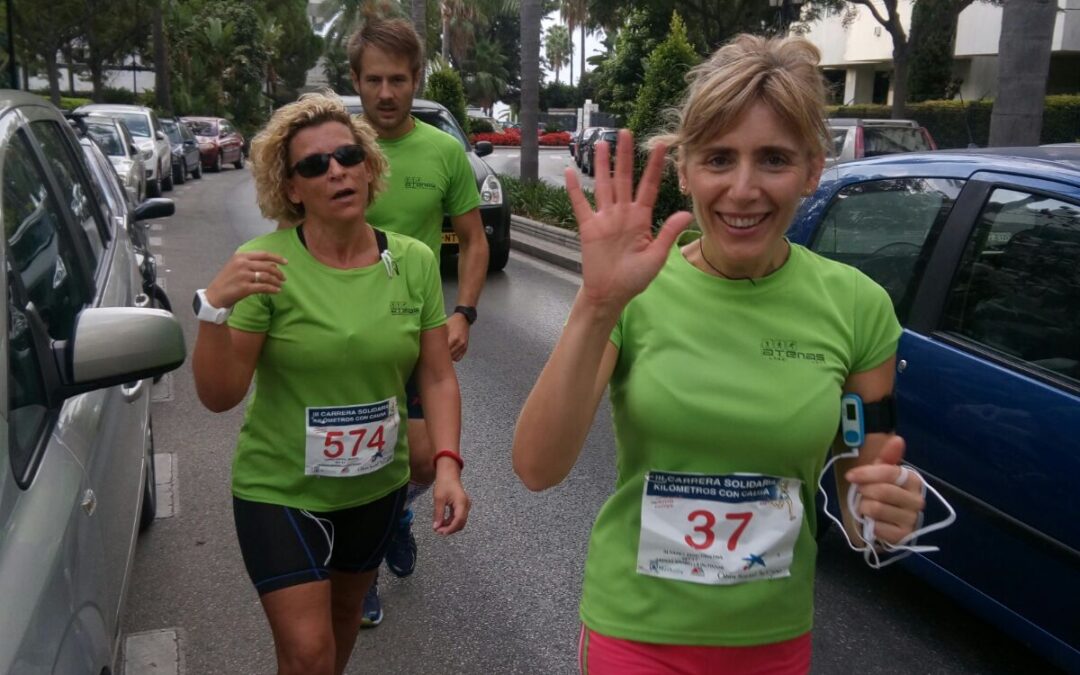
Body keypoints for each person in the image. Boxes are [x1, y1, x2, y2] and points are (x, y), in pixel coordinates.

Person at [511, 34, 927, 673]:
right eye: (718, 159)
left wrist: (885, 513)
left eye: (773, 159)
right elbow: (537, 467)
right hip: (635, 633)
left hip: (773, 640)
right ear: (685, 170)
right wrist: (597, 304)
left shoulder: (858, 307)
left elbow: (857, 502)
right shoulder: (634, 291)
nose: (743, 188)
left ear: (812, 169)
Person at [192, 93, 469, 675]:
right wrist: (213, 309)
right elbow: (219, 396)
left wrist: (447, 466)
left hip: (375, 487)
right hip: (281, 491)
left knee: (340, 631)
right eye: (315, 165)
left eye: (348, 156)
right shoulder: (265, 264)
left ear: (369, 166)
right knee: (310, 651)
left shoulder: (414, 261)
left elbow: (437, 376)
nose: (337, 171)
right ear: (292, 188)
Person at [345, 16, 489, 626]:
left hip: (416, 331)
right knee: (353, 458)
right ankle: (362, 567)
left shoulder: (443, 151)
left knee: (426, 460)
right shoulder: (336, 150)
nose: (386, 93)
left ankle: (396, 513)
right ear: (355, 80)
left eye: (398, 80)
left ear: (416, 79)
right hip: (343, 333)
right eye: (374, 80)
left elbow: (474, 241)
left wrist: (464, 313)